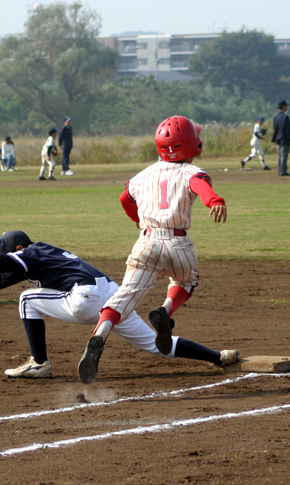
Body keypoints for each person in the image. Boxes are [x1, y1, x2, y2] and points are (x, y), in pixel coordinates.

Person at [0, 230, 237, 379]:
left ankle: (39, 363)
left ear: (19, 249)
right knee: (157, 346)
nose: (6, 259)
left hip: (85, 297)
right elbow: (4, 276)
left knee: (27, 299)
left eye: (8, 254)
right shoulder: (42, 255)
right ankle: (218, 356)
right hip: (114, 295)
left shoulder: (28, 253)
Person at [77, 116, 238, 384]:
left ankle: (99, 335)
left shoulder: (143, 175)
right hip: (178, 244)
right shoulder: (190, 171)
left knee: (124, 295)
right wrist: (215, 201)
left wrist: (135, 218)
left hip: (147, 242)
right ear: (194, 145)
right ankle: (165, 310)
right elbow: (200, 186)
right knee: (186, 281)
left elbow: (125, 198)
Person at [272, 100, 290, 176]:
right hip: (285, 138)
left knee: (279, 156)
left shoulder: (275, 117)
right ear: (284, 106)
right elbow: (288, 129)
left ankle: (279, 170)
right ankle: (283, 171)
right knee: (284, 156)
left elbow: (275, 128)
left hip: (278, 138)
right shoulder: (285, 117)